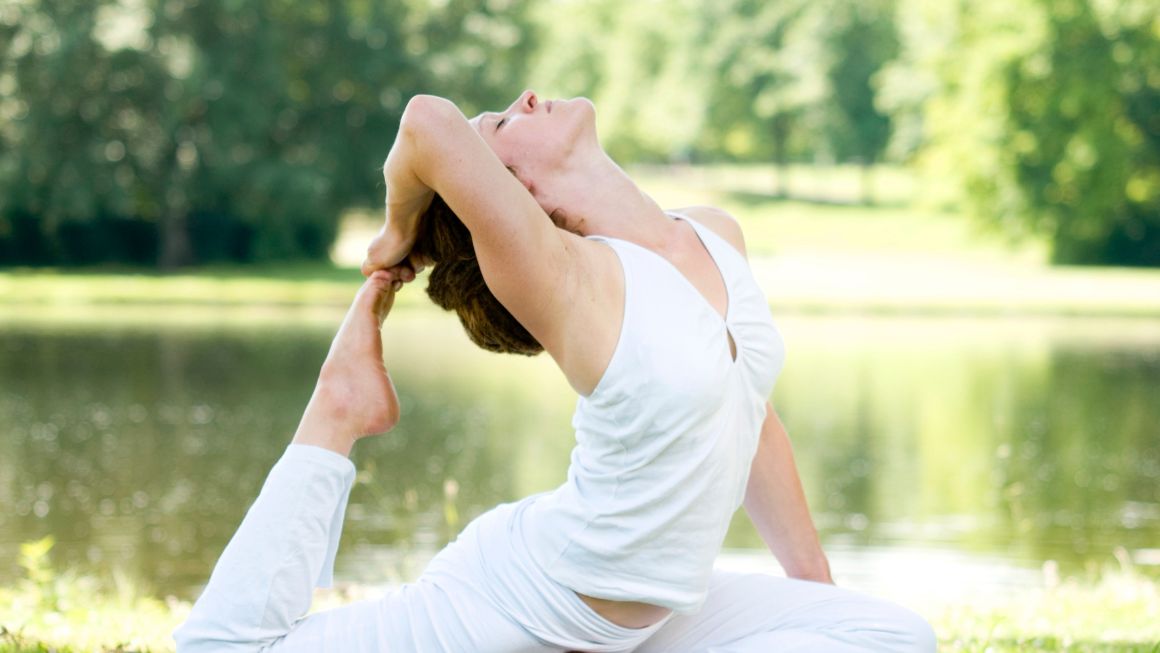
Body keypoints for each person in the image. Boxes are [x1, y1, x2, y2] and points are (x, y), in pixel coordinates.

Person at [175, 91, 937, 652]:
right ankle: (339, 403)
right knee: (224, 651)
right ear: (516, 195)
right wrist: (396, 231)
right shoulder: (568, 279)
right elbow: (427, 123)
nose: (525, 98)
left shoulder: (715, 236)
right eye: (504, 124)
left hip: (655, 615)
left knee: (894, 636)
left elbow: (751, 415)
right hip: (533, 595)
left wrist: (813, 595)